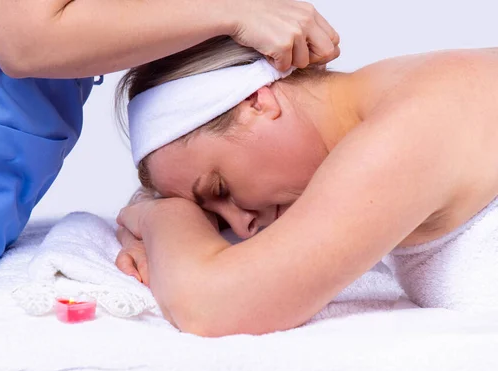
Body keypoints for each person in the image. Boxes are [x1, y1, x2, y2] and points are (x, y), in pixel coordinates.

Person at [0, 0, 340, 371]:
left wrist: (158, 208)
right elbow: (23, 39)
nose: (245, 227)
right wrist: (239, 12)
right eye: (216, 197)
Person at [115, 37, 498, 337]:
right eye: (213, 216)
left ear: (256, 102)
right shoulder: (385, 109)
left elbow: (213, 307)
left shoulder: (412, 124)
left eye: (220, 189)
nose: (243, 226)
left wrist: (160, 215)